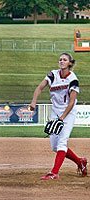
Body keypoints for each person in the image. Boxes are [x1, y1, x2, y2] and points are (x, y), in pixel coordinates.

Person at [29, 52, 87, 180]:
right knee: (55, 146)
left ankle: (54, 172)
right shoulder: (53, 74)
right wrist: (34, 101)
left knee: (62, 142)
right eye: (60, 59)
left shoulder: (73, 79)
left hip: (68, 112)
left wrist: (62, 118)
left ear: (70, 63)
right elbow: (39, 88)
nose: (61, 61)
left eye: (65, 60)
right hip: (55, 111)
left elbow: (71, 102)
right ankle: (80, 161)